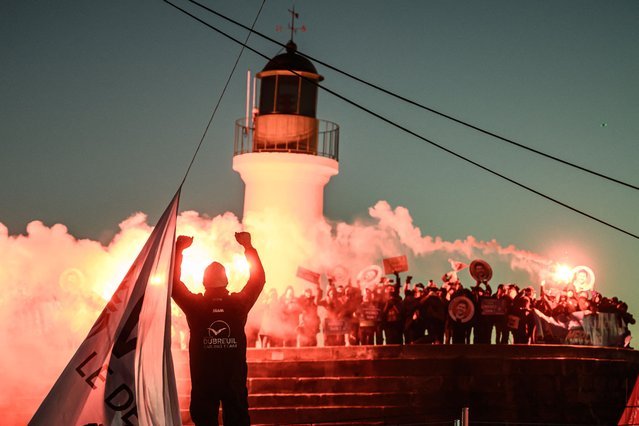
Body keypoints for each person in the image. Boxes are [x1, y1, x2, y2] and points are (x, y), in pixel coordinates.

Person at [172, 232, 266, 426]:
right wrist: (248, 247)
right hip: (234, 378)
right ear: (227, 281)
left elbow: (173, 285)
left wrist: (178, 250)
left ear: (204, 282)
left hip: (204, 379)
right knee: (238, 421)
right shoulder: (238, 304)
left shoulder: (196, 305)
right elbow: (258, 280)